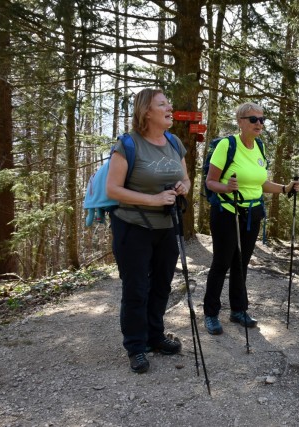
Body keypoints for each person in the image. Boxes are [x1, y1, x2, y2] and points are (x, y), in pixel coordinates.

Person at [106, 88, 191, 373]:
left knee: (162, 284)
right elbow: (113, 189)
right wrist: (153, 199)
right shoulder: (128, 144)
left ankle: (155, 337)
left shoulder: (174, 142)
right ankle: (135, 346)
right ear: (146, 112)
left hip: (167, 226)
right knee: (136, 288)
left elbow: (187, 178)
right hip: (133, 226)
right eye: (162, 104)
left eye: (169, 102)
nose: (170, 107)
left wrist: (183, 188)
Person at [203, 102, 299, 335]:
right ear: (240, 121)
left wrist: (285, 189)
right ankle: (211, 313)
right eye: (253, 119)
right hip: (228, 212)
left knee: (241, 263)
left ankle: (238, 310)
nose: (259, 123)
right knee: (221, 263)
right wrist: (226, 187)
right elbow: (210, 182)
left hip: (252, 214)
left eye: (262, 119)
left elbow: (261, 183)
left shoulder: (260, 147)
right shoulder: (227, 145)